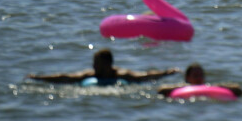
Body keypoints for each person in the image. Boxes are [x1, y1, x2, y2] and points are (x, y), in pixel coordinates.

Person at [28, 48, 180, 85]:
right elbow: (65, 77)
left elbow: (145, 76)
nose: (93, 66)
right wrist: (38, 78)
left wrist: (167, 73)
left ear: (108, 64)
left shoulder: (121, 74)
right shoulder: (90, 75)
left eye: (97, 63)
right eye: (94, 63)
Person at [158, 63, 242, 97]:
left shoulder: (210, 87)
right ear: (187, 78)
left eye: (201, 75)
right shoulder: (182, 87)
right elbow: (161, 89)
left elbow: (238, 89)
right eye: (195, 76)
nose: (199, 78)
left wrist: (216, 87)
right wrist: (186, 87)